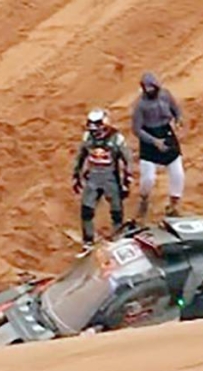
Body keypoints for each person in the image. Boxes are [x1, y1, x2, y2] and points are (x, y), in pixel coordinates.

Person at [72, 109, 133, 253]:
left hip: (110, 179)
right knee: (86, 210)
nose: (95, 131)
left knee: (116, 211)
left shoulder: (116, 138)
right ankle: (88, 241)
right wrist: (76, 175)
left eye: (98, 126)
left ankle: (118, 239)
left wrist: (126, 181)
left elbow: (127, 160)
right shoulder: (87, 138)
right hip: (93, 178)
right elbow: (80, 156)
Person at [132, 72, 185, 220]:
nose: (149, 90)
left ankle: (173, 205)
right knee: (148, 178)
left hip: (166, 133)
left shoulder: (166, 95)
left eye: (151, 87)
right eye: (146, 87)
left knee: (178, 174)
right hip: (150, 140)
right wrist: (154, 141)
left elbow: (176, 109)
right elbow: (136, 129)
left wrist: (179, 119)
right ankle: (144, 198)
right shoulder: (140, 105)